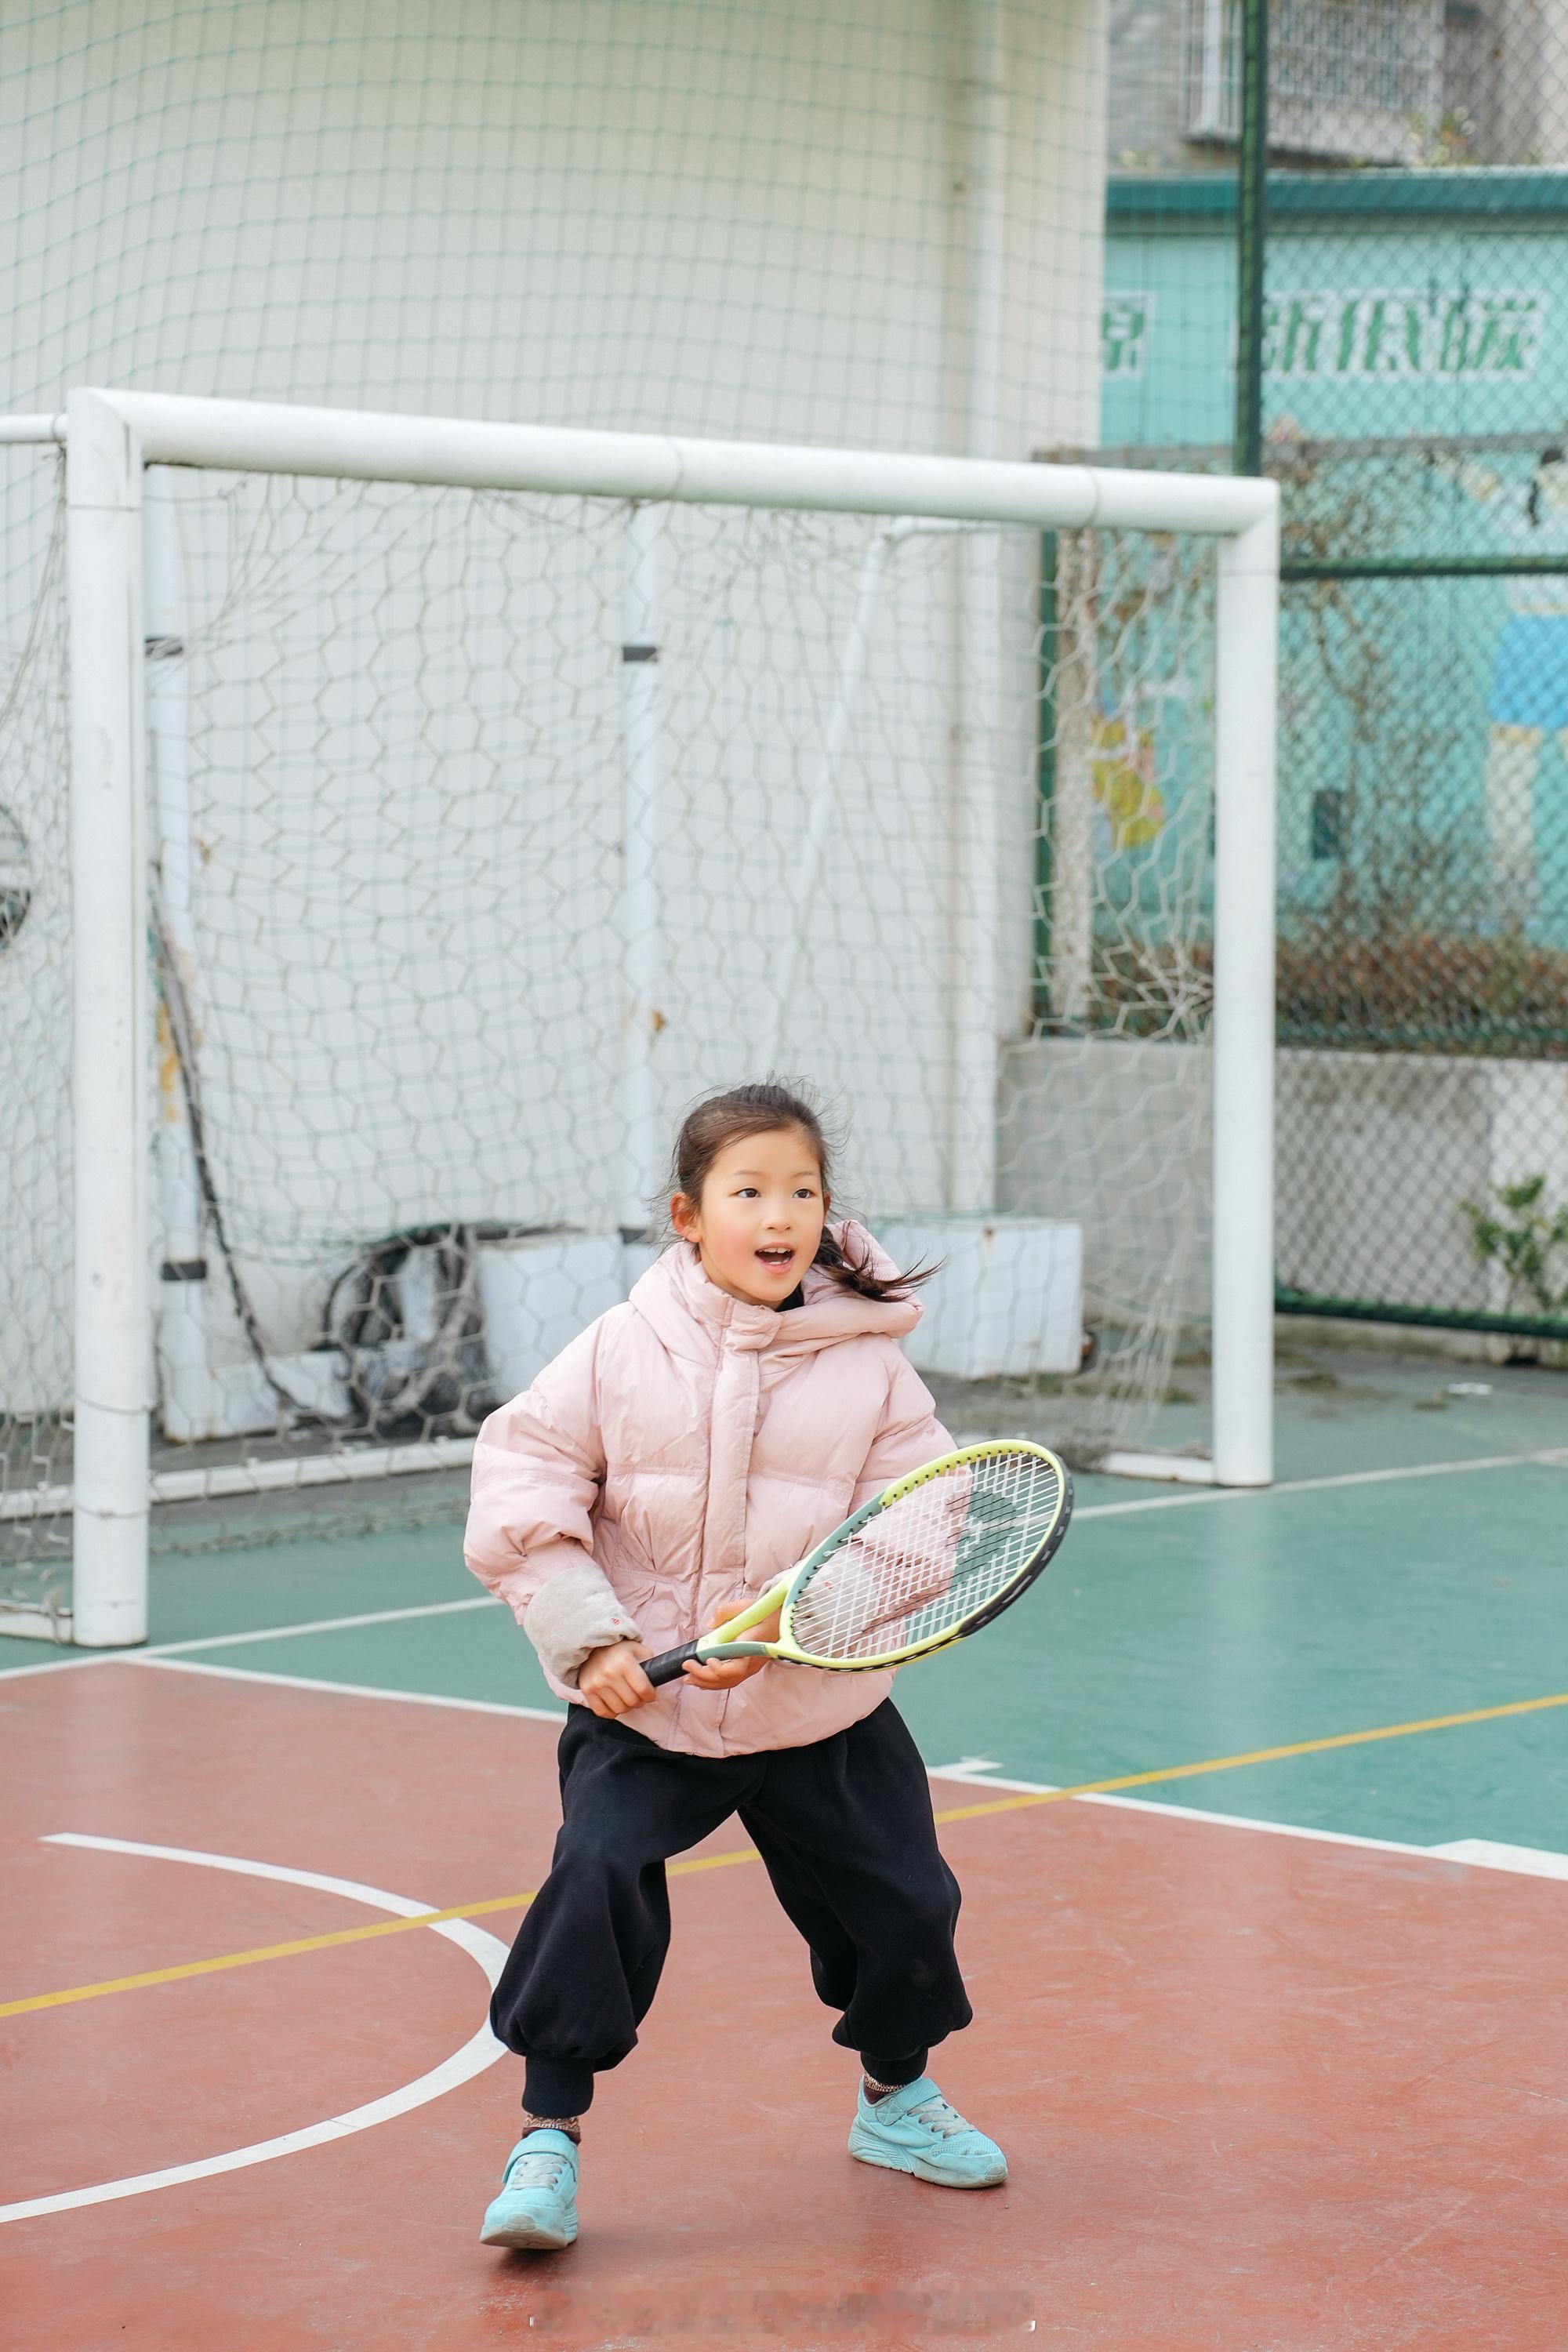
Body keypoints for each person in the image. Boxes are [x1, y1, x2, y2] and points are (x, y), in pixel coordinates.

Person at [464, 1080, 1005, 2252]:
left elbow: (924, 1520)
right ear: (687, 1214)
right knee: (596, 1874)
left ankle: (895, 2097)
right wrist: (592, 1638)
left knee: (904, 1904)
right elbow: (523, 1480)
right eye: (749, 1189)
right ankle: (546, 2140)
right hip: (650, 1716)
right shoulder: (619, 1349)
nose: (780, 1212)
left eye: (802, 1191)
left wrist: (797, 1621)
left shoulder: (872, 1368)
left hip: (819, 1705)